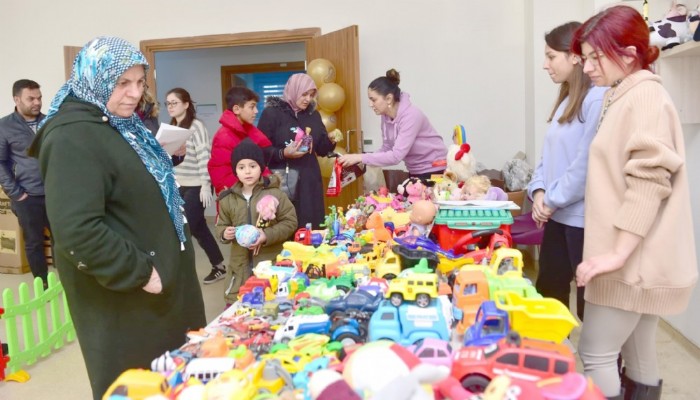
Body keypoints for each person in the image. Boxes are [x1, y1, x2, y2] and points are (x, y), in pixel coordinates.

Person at [28, 36, 206, 399]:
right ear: (93, 78)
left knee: (174, 380)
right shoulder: (72, 136)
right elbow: (77, 231)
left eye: (140, 83)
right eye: (122, 83)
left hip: (158, 282)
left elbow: (130, 179)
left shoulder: (117, 122)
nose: (134, 93)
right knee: (142, 385)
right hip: (130, 294)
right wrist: (140, 272)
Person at [572, 6, 697, 399]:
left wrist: (616, 255)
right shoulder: (626, 94)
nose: (587, 66)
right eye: (585, 56)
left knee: (595, 354)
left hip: (630, 260)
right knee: (640, 356)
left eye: (596, 56)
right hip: (637, 256)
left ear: (627, 53)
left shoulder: (642, 97)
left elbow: (649, 180)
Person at [526, 21, 606, 322]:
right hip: (557, 213)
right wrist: (539, 192)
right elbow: (548, 158)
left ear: (575, 56)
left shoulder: (596, 98)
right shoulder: (565, 99)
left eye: (551, 56)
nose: (545, 65)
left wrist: (551, 199)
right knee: (549, 294)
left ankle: (606, 368)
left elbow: (585, 165)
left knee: (591, 309)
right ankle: (554, 362)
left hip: (581, 220)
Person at [216, 138, 297, 305]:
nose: (247, 171)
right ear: (235, 171)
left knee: (271, 308)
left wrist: (266, 235)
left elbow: (290, 222)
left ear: (261, 167)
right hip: (240, 270)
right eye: (241, 167)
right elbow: (221, 225)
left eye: (252, 166)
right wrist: (225, 233)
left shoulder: (275, 194)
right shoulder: (227, 199)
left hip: (270, 266)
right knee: (238, 311)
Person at [257, 73, 337, 228]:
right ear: (294, 90)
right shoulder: (272, 114)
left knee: (311, 225)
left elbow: (321, 149)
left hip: (309, 179)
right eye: (304, 94)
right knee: (285, 224)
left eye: (311, 95)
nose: (308, 99)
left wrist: (330, 140)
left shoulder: (313, 115)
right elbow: (260, 149)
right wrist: (283, 153)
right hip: (283, 180)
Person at [338, 69, 447, 181]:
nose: (370, 105)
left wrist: (360, 157)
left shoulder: (412, 115)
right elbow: (387, 148)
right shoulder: (385, 116)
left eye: (373, 100)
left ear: (389, 98)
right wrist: (360, 160)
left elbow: (396, 156)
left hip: (434, 169)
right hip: (415, 170)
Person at [165, 87, 226, 284]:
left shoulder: (196, 126)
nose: (170, 107)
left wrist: (206, 185)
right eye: (168, 103)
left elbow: (203, 156)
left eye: (174, 102)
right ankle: (219, 266)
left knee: (186, 226)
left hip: (197, 186)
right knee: (199, 227)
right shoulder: (171, 126)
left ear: (186, 104)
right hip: (179, 185)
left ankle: (181, 272)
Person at [0, 79, 51, 288]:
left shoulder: (50, 121)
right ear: (17, 99)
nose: (37, 102)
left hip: (55, 193)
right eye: (31, 98)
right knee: (34, 242)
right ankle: (43, 284)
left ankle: (68, 281)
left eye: (39, 97)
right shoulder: (4, 126)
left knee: (65, 239)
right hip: (27, 196)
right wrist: (16, 193)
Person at [208, 86, 273, 197]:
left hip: (250, 195)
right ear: (237, 109)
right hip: (236, 200)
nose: (256, 111)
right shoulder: (224, 137)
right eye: (252, 107)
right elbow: (222, 178)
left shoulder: (245, 131)